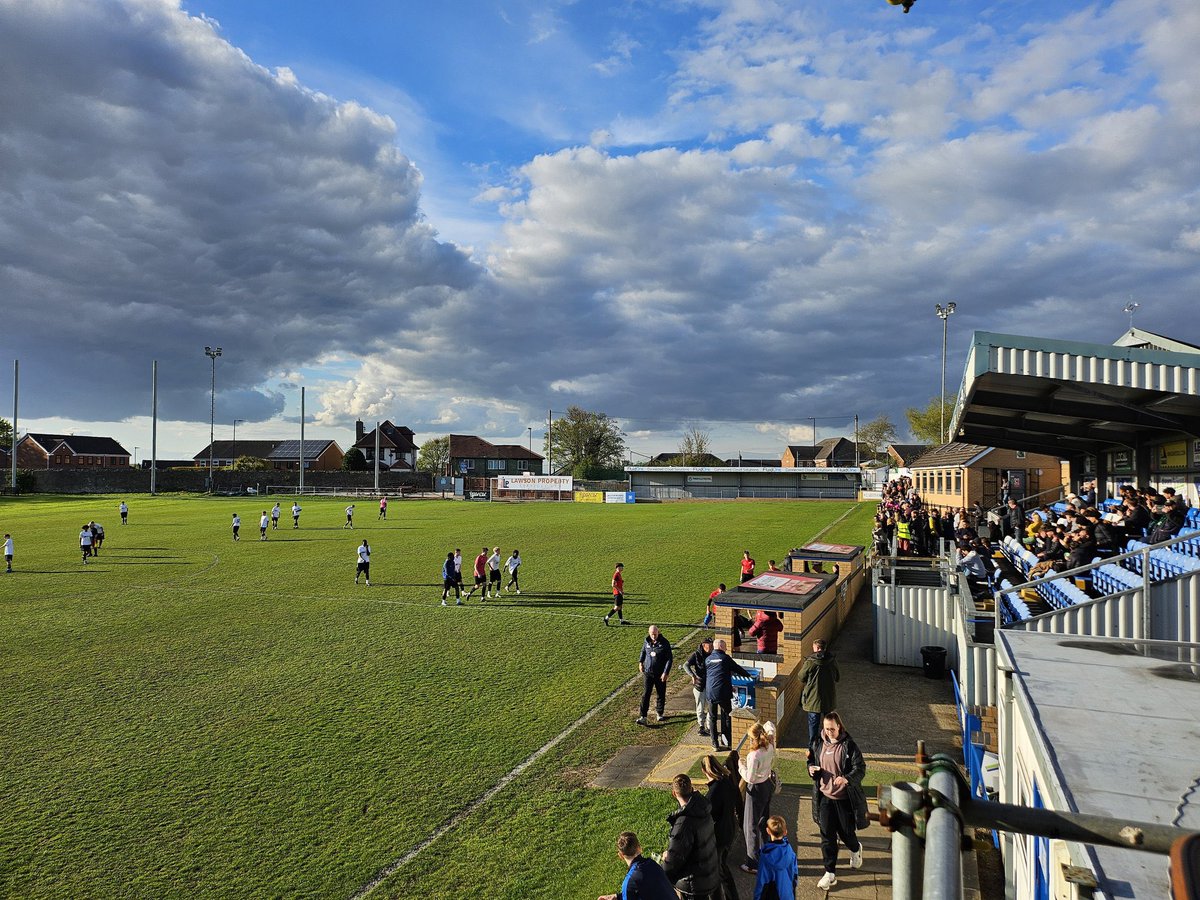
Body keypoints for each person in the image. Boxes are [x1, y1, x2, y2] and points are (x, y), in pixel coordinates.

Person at [809, 712, 867, 891]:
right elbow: (811, 760)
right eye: (826, 729)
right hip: (825, 797)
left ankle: (855, 848)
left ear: (840, 727)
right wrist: (811, 769)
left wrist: (847, 778)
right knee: (826, 835)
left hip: (844, 799)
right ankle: (830, 873)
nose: (829, 732)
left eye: (832, 729)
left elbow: (861, 768)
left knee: (846, 833)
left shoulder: (849, 746)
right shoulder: (818, 743)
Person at [662, 774, 721, 900]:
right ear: (692, 788)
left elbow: (674, 860)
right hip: (710, 872)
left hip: (694, 884)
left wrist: (665, 862)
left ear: (674, 793)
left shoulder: (683, 824)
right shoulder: (703, 807)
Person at [739, 722, 776, 873]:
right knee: (763, 821)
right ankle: (766, 850)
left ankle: (752, 863)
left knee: (750, 825)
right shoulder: (770, 747)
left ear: (754, 738)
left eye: (750, 738)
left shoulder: (753, 756)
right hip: (767, 785)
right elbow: (770, 725)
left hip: (755, 790)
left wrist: (740, 765)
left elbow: (750, 778)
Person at [701, 755, 740, 900]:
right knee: (722, 867)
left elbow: (708, 816)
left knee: (721, 871)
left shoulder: (713, 793)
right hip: (730, 829)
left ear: (704, 770)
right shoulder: (726, 782)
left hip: (719, 836)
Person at [596, 831, 676, 900]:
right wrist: (617, 896)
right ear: (639, 847)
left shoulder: (630, 881)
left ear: (620, 855)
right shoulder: (653, 864)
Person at [705, 639, 751, 751]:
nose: (726, 649)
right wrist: (749, 675)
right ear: (721, 647)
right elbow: (738, 669)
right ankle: (729, 741)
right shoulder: (725, 658)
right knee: (726, 716)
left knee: (712, 718)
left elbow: (712, 674)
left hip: (710, 692)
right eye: (725, 647)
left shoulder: (708, 659)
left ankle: (714, 743)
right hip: (723, 692)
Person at [799, 639, 839, 747]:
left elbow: (801, 677)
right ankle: (829, 745)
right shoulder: (832, 660)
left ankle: (813, 747)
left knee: (813, 725)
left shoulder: (810, 662)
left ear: (816, 648)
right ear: (824, 648)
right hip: (828, 698)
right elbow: (837, 677)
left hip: (813, 699)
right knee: (829, 725)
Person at [754, 815, 798, 900]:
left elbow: (762, 882)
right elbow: (794, 876)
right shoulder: (790, 852)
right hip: (787, 894)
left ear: (768, 831)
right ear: (785, 832)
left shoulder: (766, 856)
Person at [637, 626, 673, 725]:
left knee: (660, 693)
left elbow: (669, 659)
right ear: (649, 633)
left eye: (655, 634)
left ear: (658, 632)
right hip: (648, 673)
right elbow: (643, 651)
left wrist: (666, 672)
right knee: (646, 694)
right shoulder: (646, 641)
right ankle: (643, 716)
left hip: (660, 673)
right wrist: (640, 662)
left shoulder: (664, 643)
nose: (653, 636)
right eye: (652, 634)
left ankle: (660, 713)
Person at [685, 637, 714, 736]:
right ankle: (701, 726)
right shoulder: (696, 654)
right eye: (708, 646)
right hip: (699, 685)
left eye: (711, 646)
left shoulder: (714, 654)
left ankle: (710, 727)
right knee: (700, 706)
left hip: (711, 684)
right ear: (703, 645)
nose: (710, 648)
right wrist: (692, 675)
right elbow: (686, 665)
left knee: (711, 707)